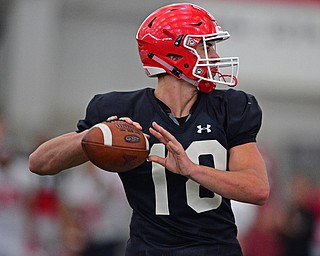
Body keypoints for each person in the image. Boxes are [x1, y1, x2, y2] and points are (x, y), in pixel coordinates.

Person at [29, 3, 269, 256]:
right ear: (175, 55)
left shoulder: (231, 107)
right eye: (206, 46)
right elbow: (39, 163)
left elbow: (257, 188)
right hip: (149, 250)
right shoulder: (121, 110)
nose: (216, 57)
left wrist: (192, 170)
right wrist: (96, 136)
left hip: (215, 250)